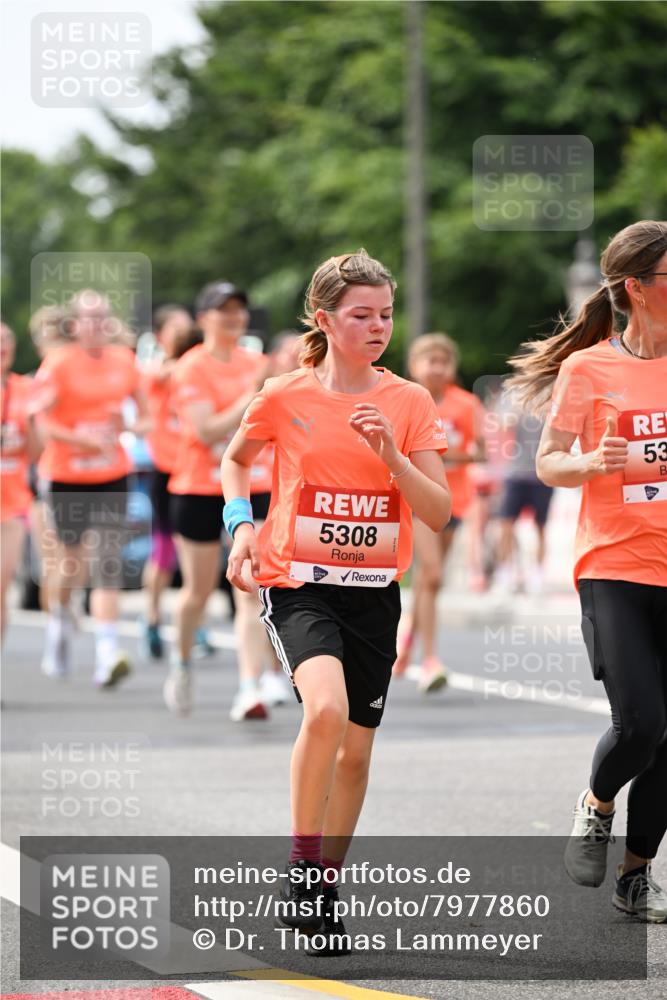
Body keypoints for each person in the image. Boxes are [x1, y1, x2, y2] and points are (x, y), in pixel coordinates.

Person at [221, 250, 450, 954]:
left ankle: (324, 885)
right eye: (361, 315)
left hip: (373, 594)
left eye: (385, 314)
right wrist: (241, 528)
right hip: (299, 584)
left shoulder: (408, 401)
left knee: (354, 756)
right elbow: (235, 459)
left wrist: (393, 458)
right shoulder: (285, 394)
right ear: (325, 320)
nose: (377, 326)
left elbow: (437, 511)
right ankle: (301, 866)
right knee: (323, 709)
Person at [508, 220, 667, 922]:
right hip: (615, 565)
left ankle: (635, 876)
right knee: (640, 724)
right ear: (636, 288)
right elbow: (549, 461)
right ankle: (597, 803)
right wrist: (590, 464)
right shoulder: (588, 369)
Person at [165, 281, 270, 718]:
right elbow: (205, 431)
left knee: (252, 588)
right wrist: (252, 396)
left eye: (239, 309)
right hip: (198, 488)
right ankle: (183, 663)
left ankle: (250, 687)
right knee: (199, 592)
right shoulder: (190, 368)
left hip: (254, 485)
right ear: (203, 317)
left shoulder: (260, 362)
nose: (233, 316)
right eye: (223, 309)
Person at [32, 289, 147, 687]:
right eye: (89, 318)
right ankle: (60, 622)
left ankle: (106, 654)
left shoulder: (125, 360)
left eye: (102, 317)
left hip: (112, 473)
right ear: (75, 325)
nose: (97, 325)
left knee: (108, 562)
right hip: (66, 476)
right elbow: (43, 425)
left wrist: (125, 426)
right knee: (70, 566)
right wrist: (83, 441)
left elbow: (146, 422)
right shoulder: (58, 364)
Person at [393, 333, 485, 691]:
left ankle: (404, 644)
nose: (436, 368)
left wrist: (445, 456)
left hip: (454, 500)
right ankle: (430, 660)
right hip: (416, 499)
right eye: (429, 361)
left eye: (443, 361)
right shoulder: (406, 400)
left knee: (432, 582)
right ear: (415, 366)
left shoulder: (465, 404)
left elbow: (481, 452)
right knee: (430, 576)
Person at [140, 304, 199, 659]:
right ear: (161, 337)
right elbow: (160, 376)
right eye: (176, 328)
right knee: (164, 551)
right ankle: (151, 617)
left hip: (197, 471)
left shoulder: (200, 370)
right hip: (167, 469)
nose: (185, 333)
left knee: (198, 555)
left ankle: (196, 625)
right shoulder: (158, 371)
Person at [0, 323, 41, 641]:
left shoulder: (25, 389)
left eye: (7, 340)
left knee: (1, 588)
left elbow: (36, 453)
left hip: (11, 504)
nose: (2, 345)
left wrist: (33, 423)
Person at [493, 396, 554, 595]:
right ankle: (504, 575)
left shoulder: (550, 399)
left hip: (541, 474)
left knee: (541, 527)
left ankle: (538, 576)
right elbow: (502, 426)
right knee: (506, 526)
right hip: (516, 473)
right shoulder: (514, 398)